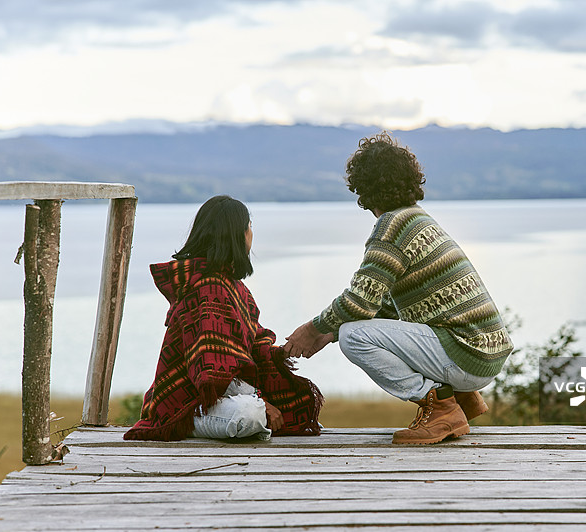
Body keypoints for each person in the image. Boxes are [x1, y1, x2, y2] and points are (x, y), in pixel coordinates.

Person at [284, 132, 513, 445]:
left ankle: (443, 407)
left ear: (362, 188)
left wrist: (312, 330)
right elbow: (385, 309)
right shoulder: (419, 220)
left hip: (467, 353)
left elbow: (359, 302)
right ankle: (462, 398)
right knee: (350, 329)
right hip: (485, 352)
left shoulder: (391, 227)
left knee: (354, 338)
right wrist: (328, 333)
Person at [124, 195, 322, 442]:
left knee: (294, 408)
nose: (252, 233)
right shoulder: (208, 288)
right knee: (250, 415)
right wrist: (261, 401)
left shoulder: (232, 286)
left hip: (219, 397)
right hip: (189, 404)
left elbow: (248, 351)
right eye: (249, 226)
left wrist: (285, 351)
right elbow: (212, 370)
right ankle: (204, 424)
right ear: (237, 235)